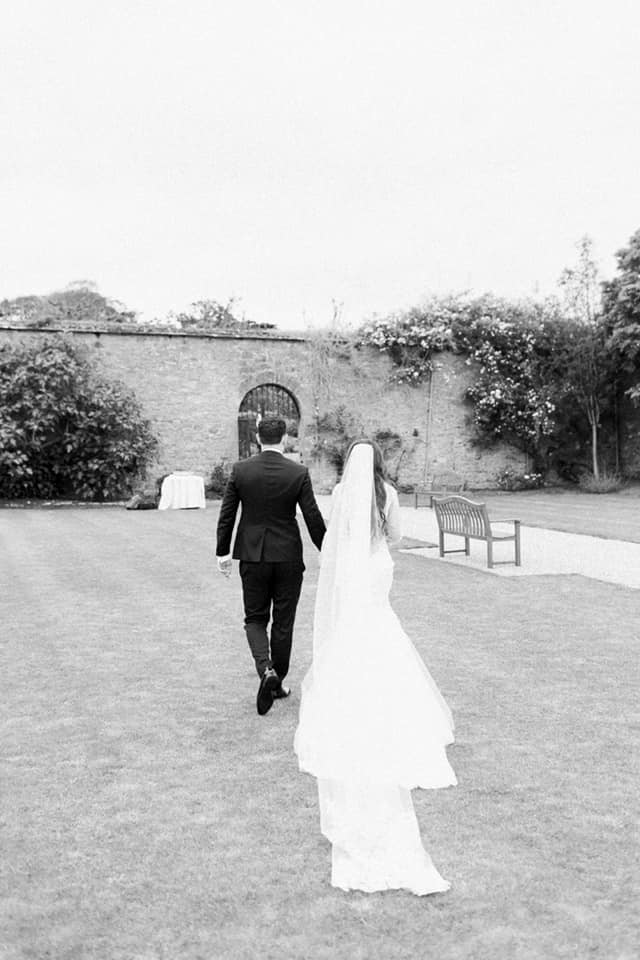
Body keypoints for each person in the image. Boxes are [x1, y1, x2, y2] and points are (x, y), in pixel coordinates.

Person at [294, 439, 457, 895]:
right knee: (383, 626)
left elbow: (334, 539)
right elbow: (398, 537)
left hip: (352, 571)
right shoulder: (387, 494)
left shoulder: (345, 492)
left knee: (352, 628)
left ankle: (353, 689)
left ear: (350, 463)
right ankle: (392, 699)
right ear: (380, 463)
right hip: (377, 567)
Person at [216, 417, 326, 715]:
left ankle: (266, 672)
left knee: (254, 618)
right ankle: (276, 682)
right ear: (286, 438)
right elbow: (312, 516)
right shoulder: (298, 472)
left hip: (252, 555)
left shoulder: (241, 470)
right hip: (288, 555)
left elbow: (227, 515)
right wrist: (327, 550)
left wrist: (222, 553)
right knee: (283, 622)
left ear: (257, 438)